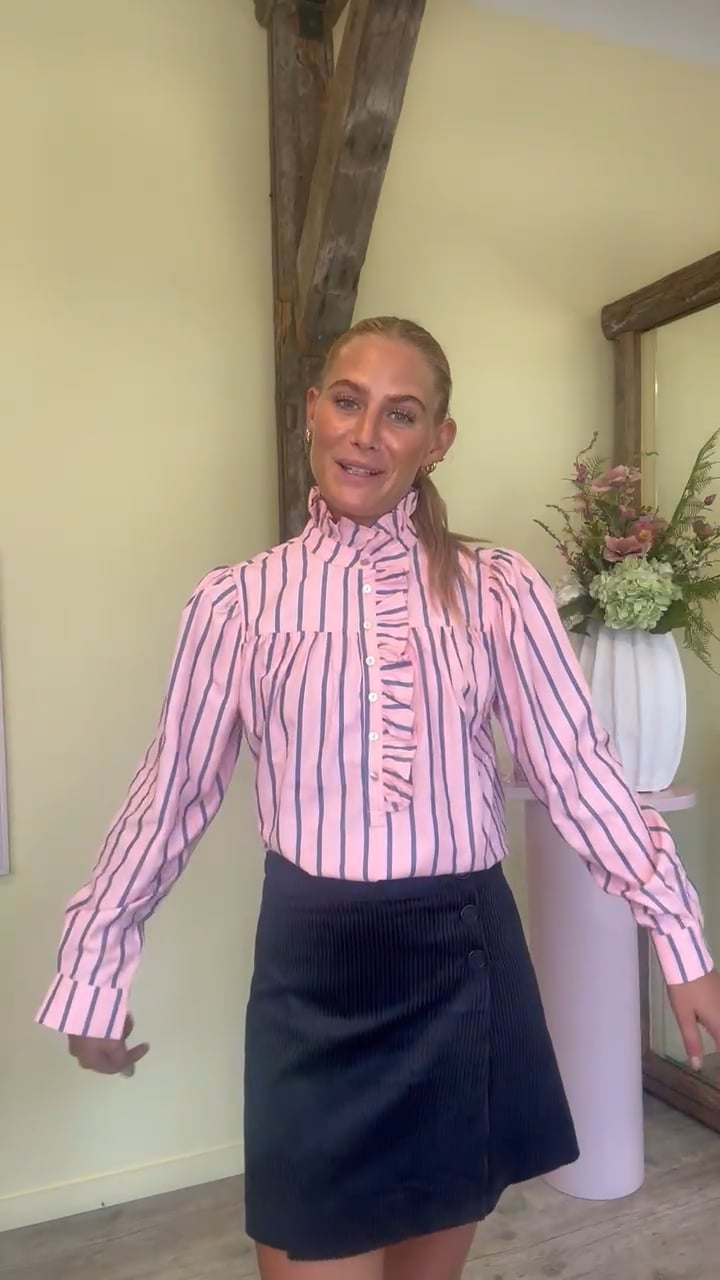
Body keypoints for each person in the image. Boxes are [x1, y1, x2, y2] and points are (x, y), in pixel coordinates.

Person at [37, 317, 720, 1280]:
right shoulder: (237, 604)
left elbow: (578, 770)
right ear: (312, 410)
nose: (365, 433)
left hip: (465, 964)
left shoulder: (499, 590)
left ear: (438, 439)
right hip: (313, 974)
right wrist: (95, 964)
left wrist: (681, 940)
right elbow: (168, 796)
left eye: (401, 414)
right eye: (348, 401)